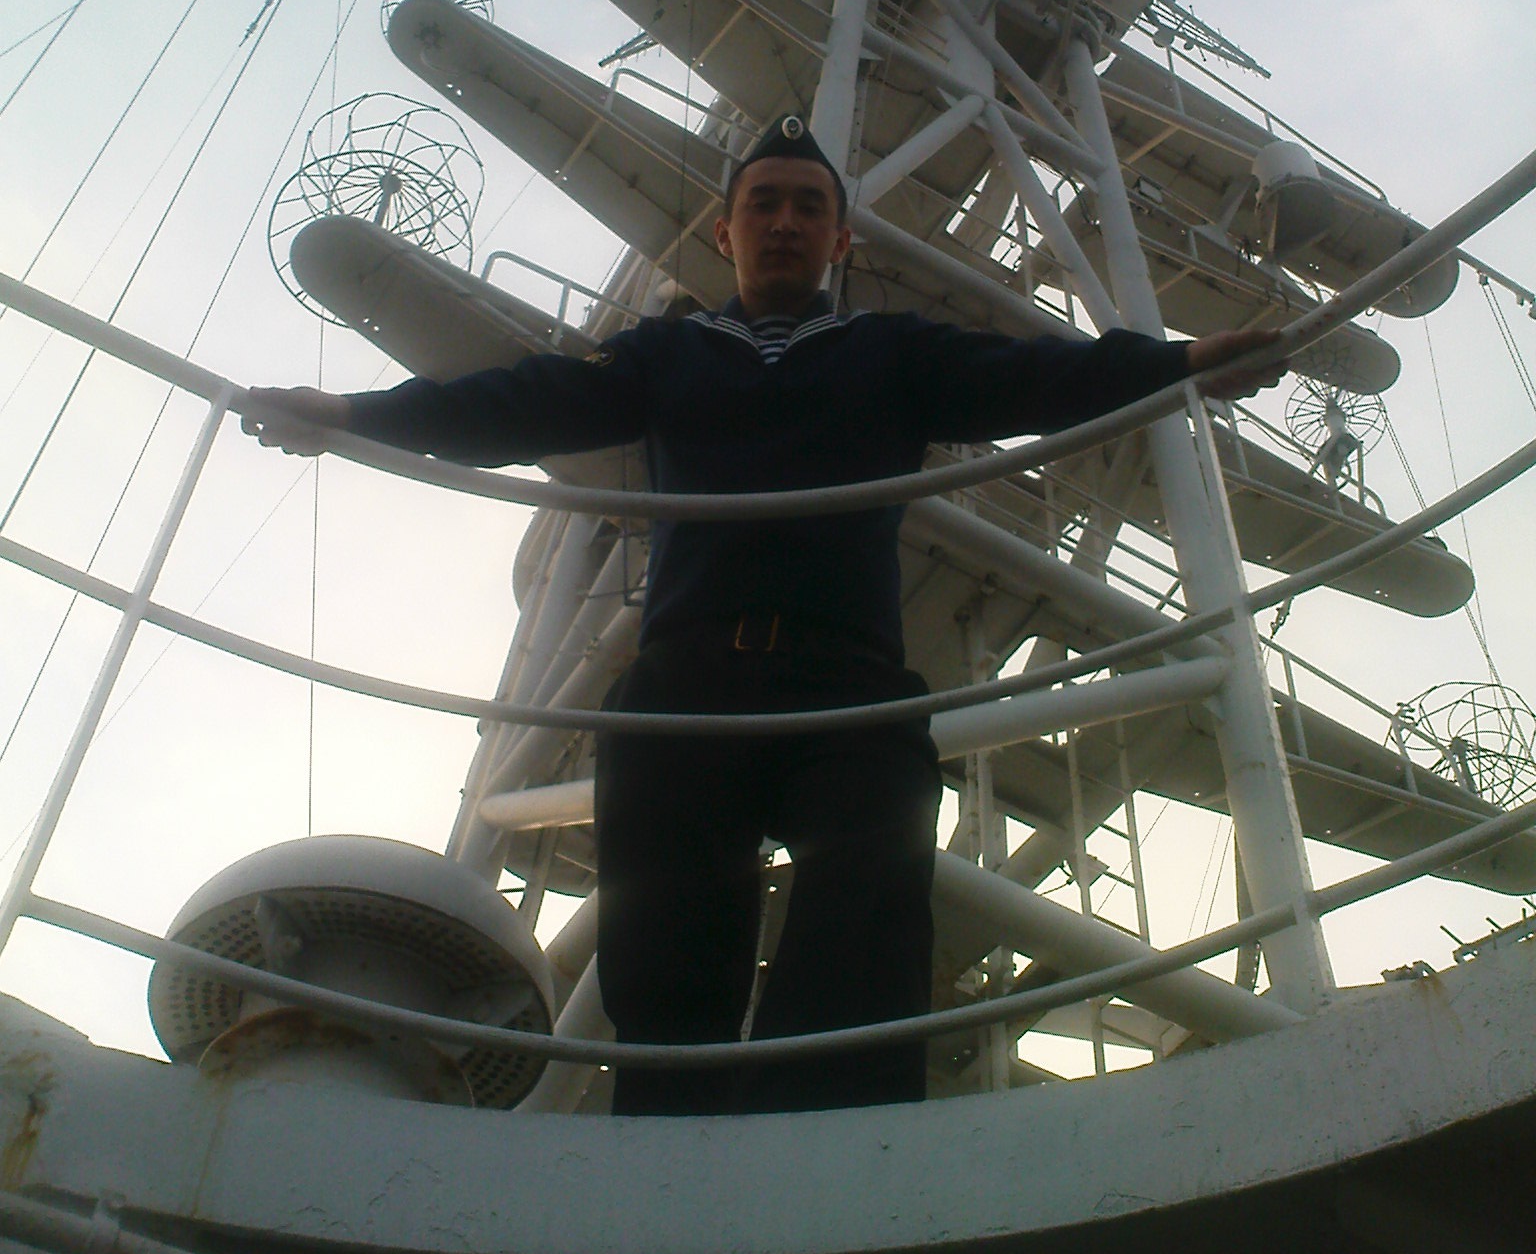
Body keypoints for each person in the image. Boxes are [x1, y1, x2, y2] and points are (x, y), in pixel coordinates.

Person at [242, 115, 1283, 1116]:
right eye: (764, 203)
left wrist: (1180, 364)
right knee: (666, 938)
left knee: (872, 894)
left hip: (848, 679)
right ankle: (670, 1128)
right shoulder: (666, 354)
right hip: (688, 678)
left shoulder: (892, 352)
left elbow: (1036, 378)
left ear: (840, 240)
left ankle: (831, 1127)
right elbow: (520, 402)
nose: (785, 221)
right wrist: (355, 415)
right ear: (725, 232)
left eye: (809, 207)